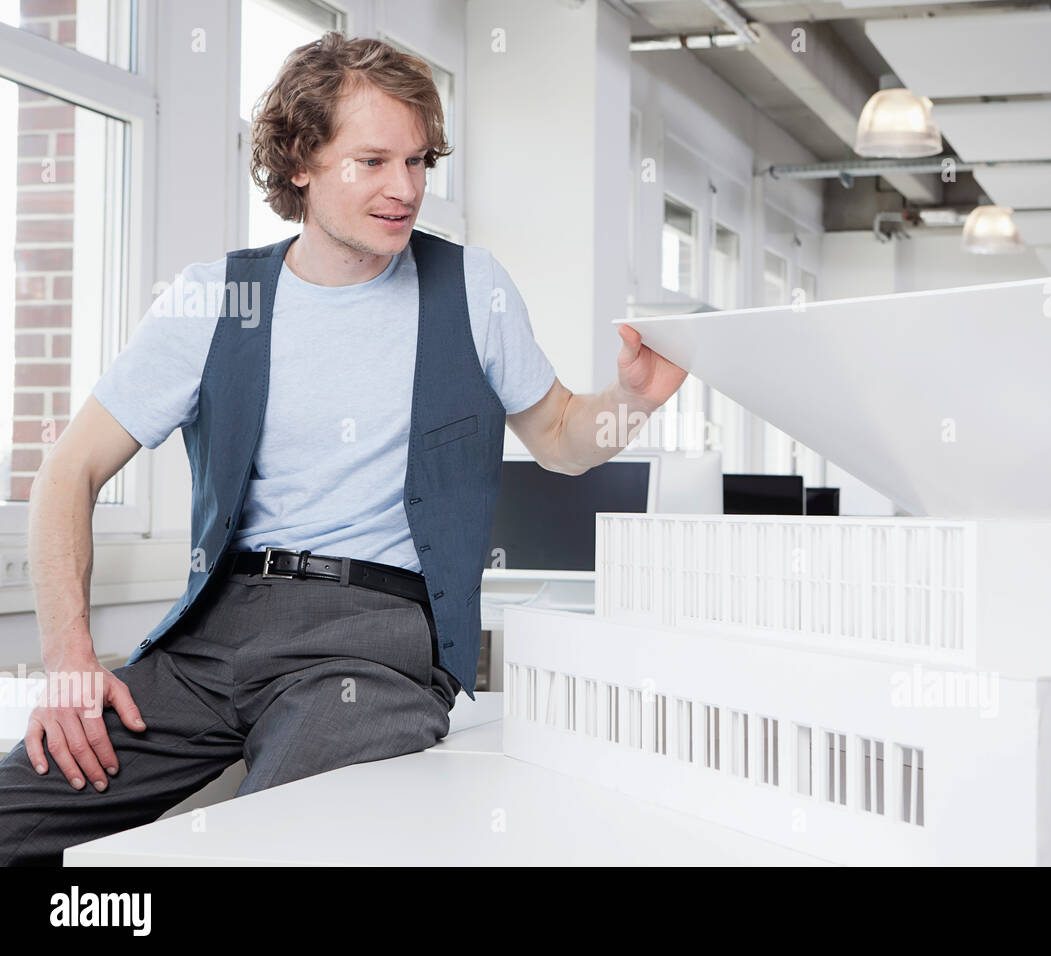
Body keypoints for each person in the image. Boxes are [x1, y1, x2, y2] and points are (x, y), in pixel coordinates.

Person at [0, 31, 685, 867]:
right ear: (299, 164)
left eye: (419, 161)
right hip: (214, 635)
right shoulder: (217, 299)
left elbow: (563, 443)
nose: (405, 190)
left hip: (376, 642)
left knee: (266, 847)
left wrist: (632, 402)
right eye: (372, 162)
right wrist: (69, 659)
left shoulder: (470, 289)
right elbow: (68, 471)